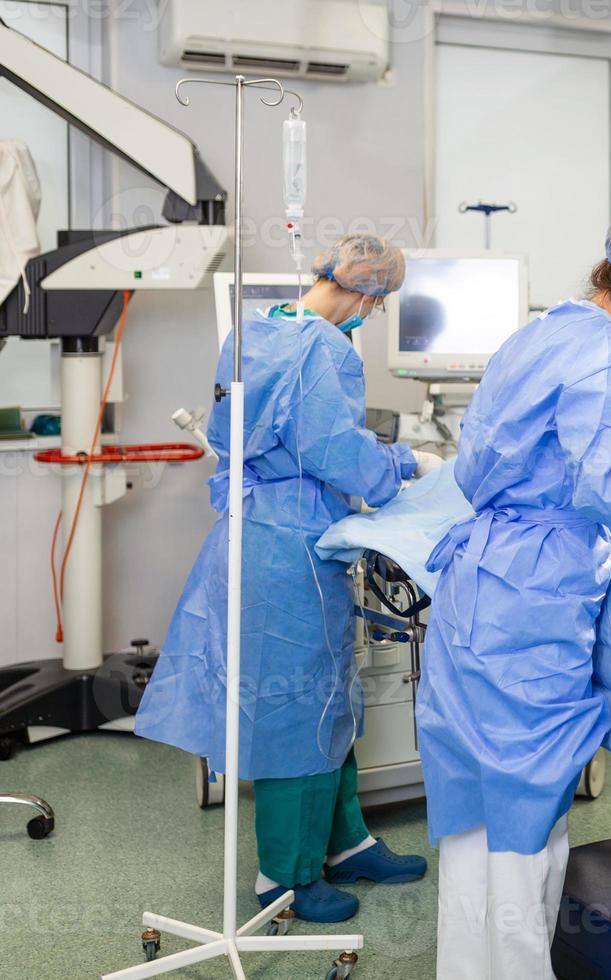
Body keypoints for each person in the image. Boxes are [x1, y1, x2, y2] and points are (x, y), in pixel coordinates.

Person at [417, 196, 611, 979]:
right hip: (532, 595)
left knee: (479, 804)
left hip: (480, 580)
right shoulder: (605, 357)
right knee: (528, 801)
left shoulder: (543, 333)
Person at [136, 235, 434, 922]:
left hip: (262, 532)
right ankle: (285, 880)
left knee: (329, 698)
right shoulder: (325, 350)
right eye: (377, 304)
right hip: (291, 547)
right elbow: (336, 452)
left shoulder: (257, 331)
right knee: (297, 709)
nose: (372, 315)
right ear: (368, 293)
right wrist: (403, 465)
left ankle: (346, 843)